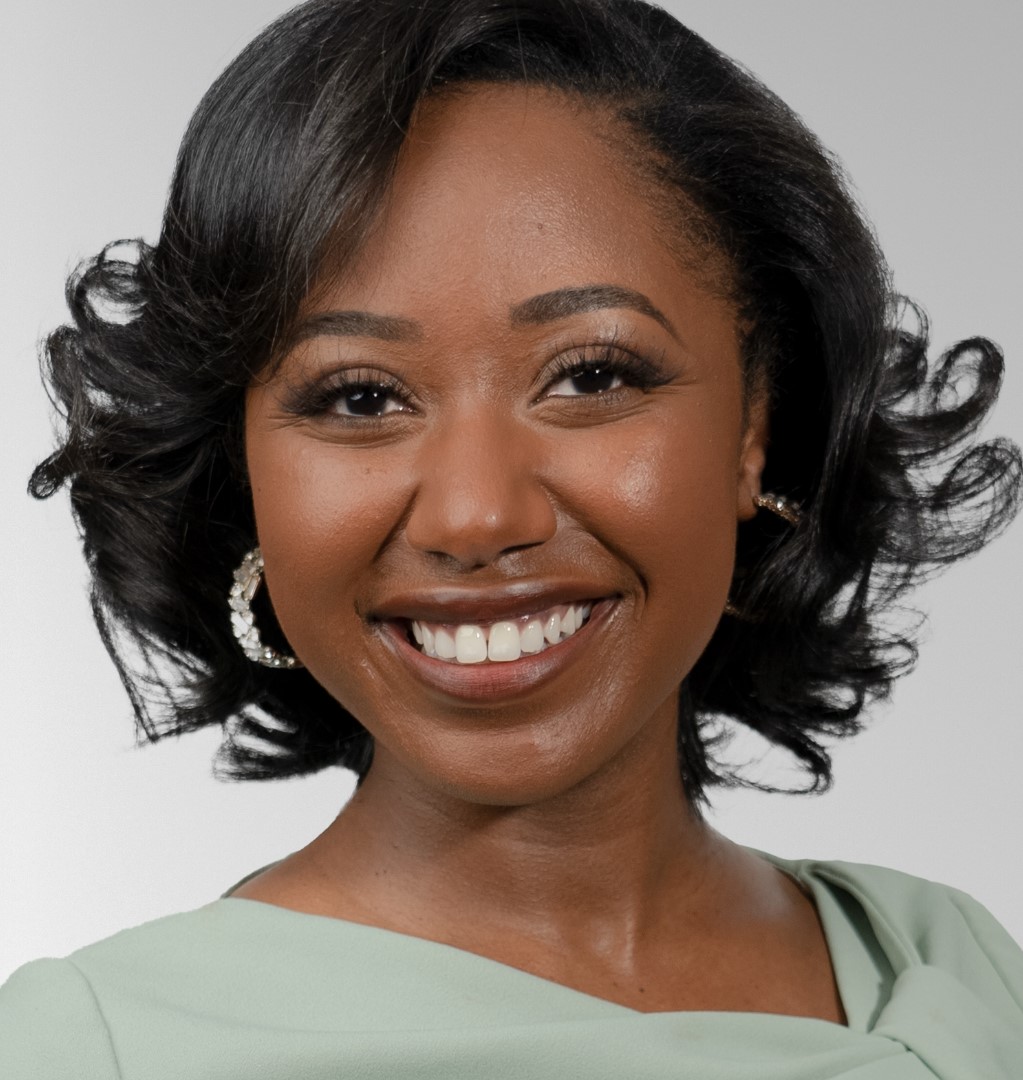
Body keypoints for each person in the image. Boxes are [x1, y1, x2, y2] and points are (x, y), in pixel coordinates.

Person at [3, 0, 1021, 1075]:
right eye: (359, 398)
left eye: (593, 376)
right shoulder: (95, 1051)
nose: (477, 517)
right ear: (242, 467)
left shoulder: (963, 981)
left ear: (754, 425)